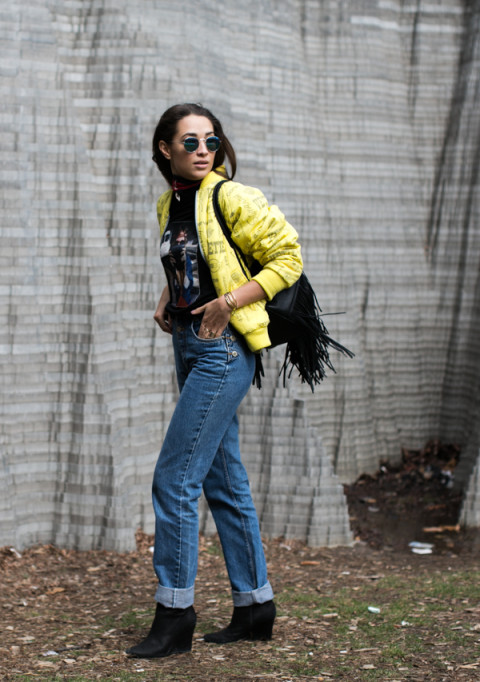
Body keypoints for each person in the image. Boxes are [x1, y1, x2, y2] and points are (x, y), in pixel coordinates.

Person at [126, 103, 303, 659]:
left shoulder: (232, 196)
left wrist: (227, 303)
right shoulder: (169, 203)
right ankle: (255, 606)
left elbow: (287, 259)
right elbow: (192, 260)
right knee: (223, 483)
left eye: (211, 141)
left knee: (174, 479)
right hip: (188, 343)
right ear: (165, 149)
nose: (203, 150)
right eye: (190, 142)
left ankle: (174, 614)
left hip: (222, 351)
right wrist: (167, 299)